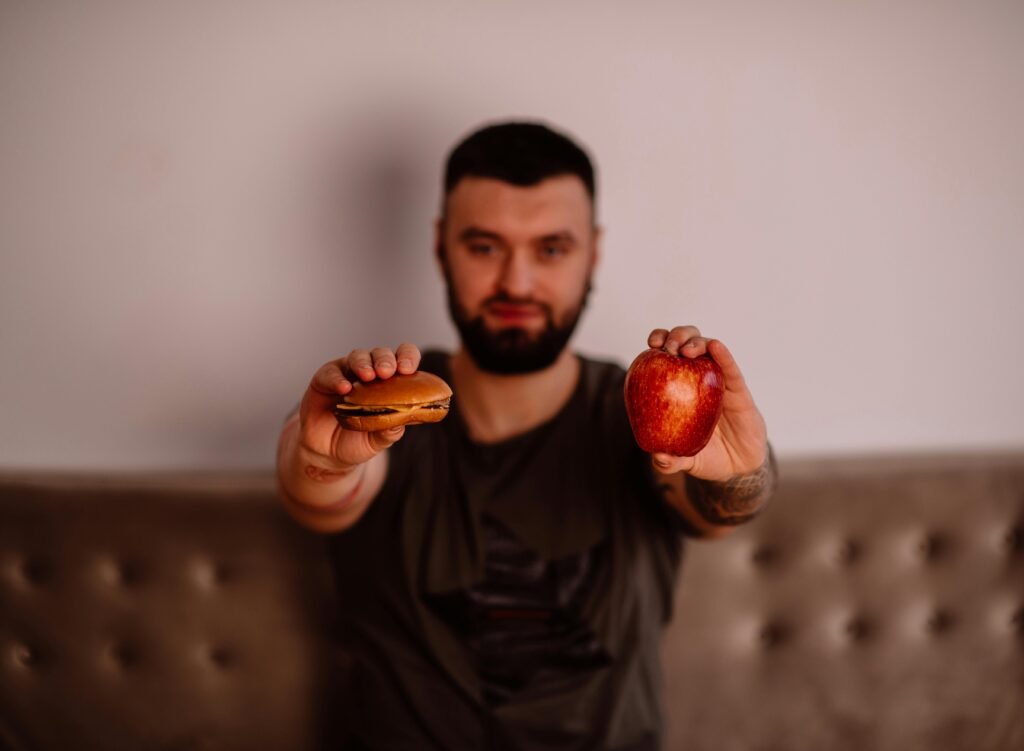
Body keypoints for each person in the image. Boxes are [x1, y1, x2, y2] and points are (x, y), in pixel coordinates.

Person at [276, 121, 776, 750]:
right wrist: (323, 458)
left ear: (593, 254)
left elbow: (712, 512)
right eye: (485, 247)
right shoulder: (382, 410)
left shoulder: (636, 417)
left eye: (551, 249)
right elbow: (322, 496)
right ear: (440, 247)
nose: (516, 282)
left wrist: (735, 474)